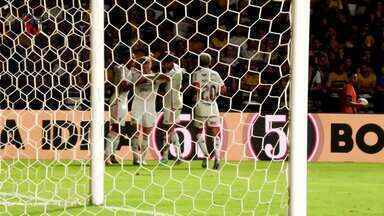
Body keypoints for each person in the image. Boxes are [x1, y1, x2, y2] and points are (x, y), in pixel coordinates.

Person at [129, 55, 168, 166]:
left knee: (146, 134)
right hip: (137, 106)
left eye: (147, 62)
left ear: (151, 64)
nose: (145, 64)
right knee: (135, 132)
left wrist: (157, 73)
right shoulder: (135, 74)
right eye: (143, 62)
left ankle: (143, 158)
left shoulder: (156, 76)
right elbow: (134, 84)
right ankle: (135, 158)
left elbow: (167, 78)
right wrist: (145, 77)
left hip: (150, 108)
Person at [192, 53, 226, 170]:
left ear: (199, 62)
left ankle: (206, 155)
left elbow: (196, 87)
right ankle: (217, 157)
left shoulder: (196, 74)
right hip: (213, 105)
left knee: (198, 130)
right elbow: (224, 89)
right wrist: (215, 91)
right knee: (216, 132)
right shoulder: (215, 74)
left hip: (200, 105)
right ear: (210, 62)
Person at [160, 56, 185, 165]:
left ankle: (170, 156)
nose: (164, 65)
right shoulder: (177, 69)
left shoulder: (175, 72)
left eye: (166, 63)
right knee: (170, 129)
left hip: (172, 104)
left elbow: (162, 78)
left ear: (171, 63)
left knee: (169, 129)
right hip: (171, 103)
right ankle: (175, 156)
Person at [105, 64, 131, 165]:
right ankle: (106, 156)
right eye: (131, 56)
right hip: (117, 99)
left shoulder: (130, 70)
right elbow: (123, 86)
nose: (133, 59)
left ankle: (112, 155)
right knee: (115, 129)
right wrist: (136, 83)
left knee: (120, 130)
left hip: (123, 101)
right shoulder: (121, 69)